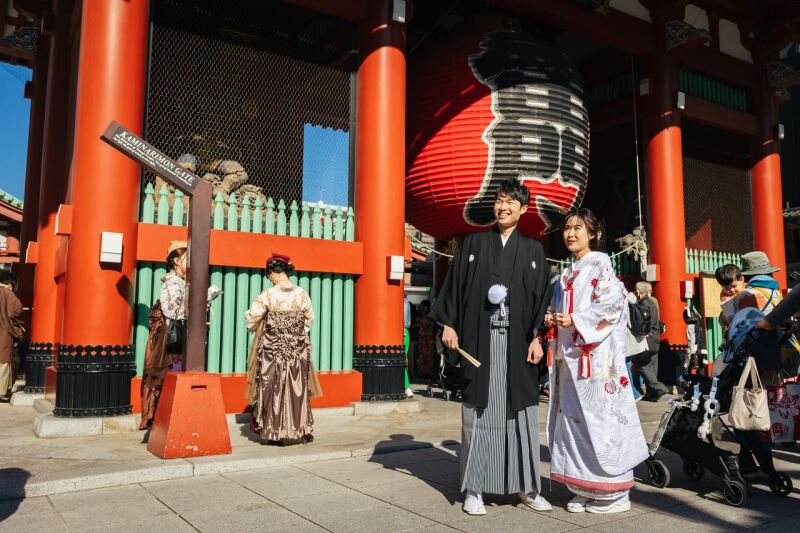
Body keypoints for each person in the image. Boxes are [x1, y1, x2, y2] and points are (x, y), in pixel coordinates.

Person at [430, 178, 552, 516]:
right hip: (480, 343)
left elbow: (541, 299)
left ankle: (528, 486)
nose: (504, 206)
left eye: (512, 201)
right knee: (478, 416)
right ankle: (474, 489)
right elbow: (454, 287)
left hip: (519, 346)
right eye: (500, 200)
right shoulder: (472, 245)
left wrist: (538, 337)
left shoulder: (532, 250)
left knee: (522, 415)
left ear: (524, 209)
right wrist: (449, 324)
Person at [545, 208, 648, 514]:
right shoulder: (565, 273)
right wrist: (552, 318)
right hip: (569, 359)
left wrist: (575, 319)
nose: (571, 234)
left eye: (578, 228)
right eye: (567, 228)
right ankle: (583, 487)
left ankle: (614, 493)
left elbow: (614, 303)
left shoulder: (601, 264)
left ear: (593, 235)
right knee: (572, 424)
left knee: (601, 423)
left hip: (595, 360)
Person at [245, 253, 314, 445]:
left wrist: (272, 326)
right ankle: (299, 429)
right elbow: (309, 320)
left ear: (272, 273)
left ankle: (274, 431)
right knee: (297, 387)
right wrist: (293, 334)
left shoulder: (268, 294)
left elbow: (252, 317)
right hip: (295, 349)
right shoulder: (301, 293)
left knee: (272, 387)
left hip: (272, 349)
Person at [139, 241, 189, 430]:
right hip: (170, 339)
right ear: (176, 261)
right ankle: (164, 421)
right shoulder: (174, 282)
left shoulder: (177, 281)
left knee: (169, 377)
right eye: (187, 258)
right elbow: (173, 311)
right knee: (169, 376)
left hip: (171, 335)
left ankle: (163, 421)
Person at [633, 281, 668, 401]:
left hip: (646, 339)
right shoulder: (653, 302)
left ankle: (658, 387)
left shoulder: (641, 304)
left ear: (638, 292)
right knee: (652, 366)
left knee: (641, 364)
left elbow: (640, 324)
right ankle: (651, 394)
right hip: (655, 338)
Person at [0, 272, 24, 400]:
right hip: (3, 334)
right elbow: (15, 311)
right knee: (3, 362)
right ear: (9, 284)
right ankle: (2, 392)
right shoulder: (8, 295)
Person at [412, 300, 437, 378]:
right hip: (424, 340)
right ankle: (423, 373)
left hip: (428, 340)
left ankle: (427, 373)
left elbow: (416, 324)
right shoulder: (424, 316)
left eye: (423, 306)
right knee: (422, 356)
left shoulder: (428, 317)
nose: (422, 307)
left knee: (427, 357)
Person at [404, 296, 414, 398]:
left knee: (401, 360)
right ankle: (406, 387)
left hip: (401, 330)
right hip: (405, 331)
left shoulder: (402, 302)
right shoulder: (407, 302)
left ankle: (406, 386)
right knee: (403, 360)